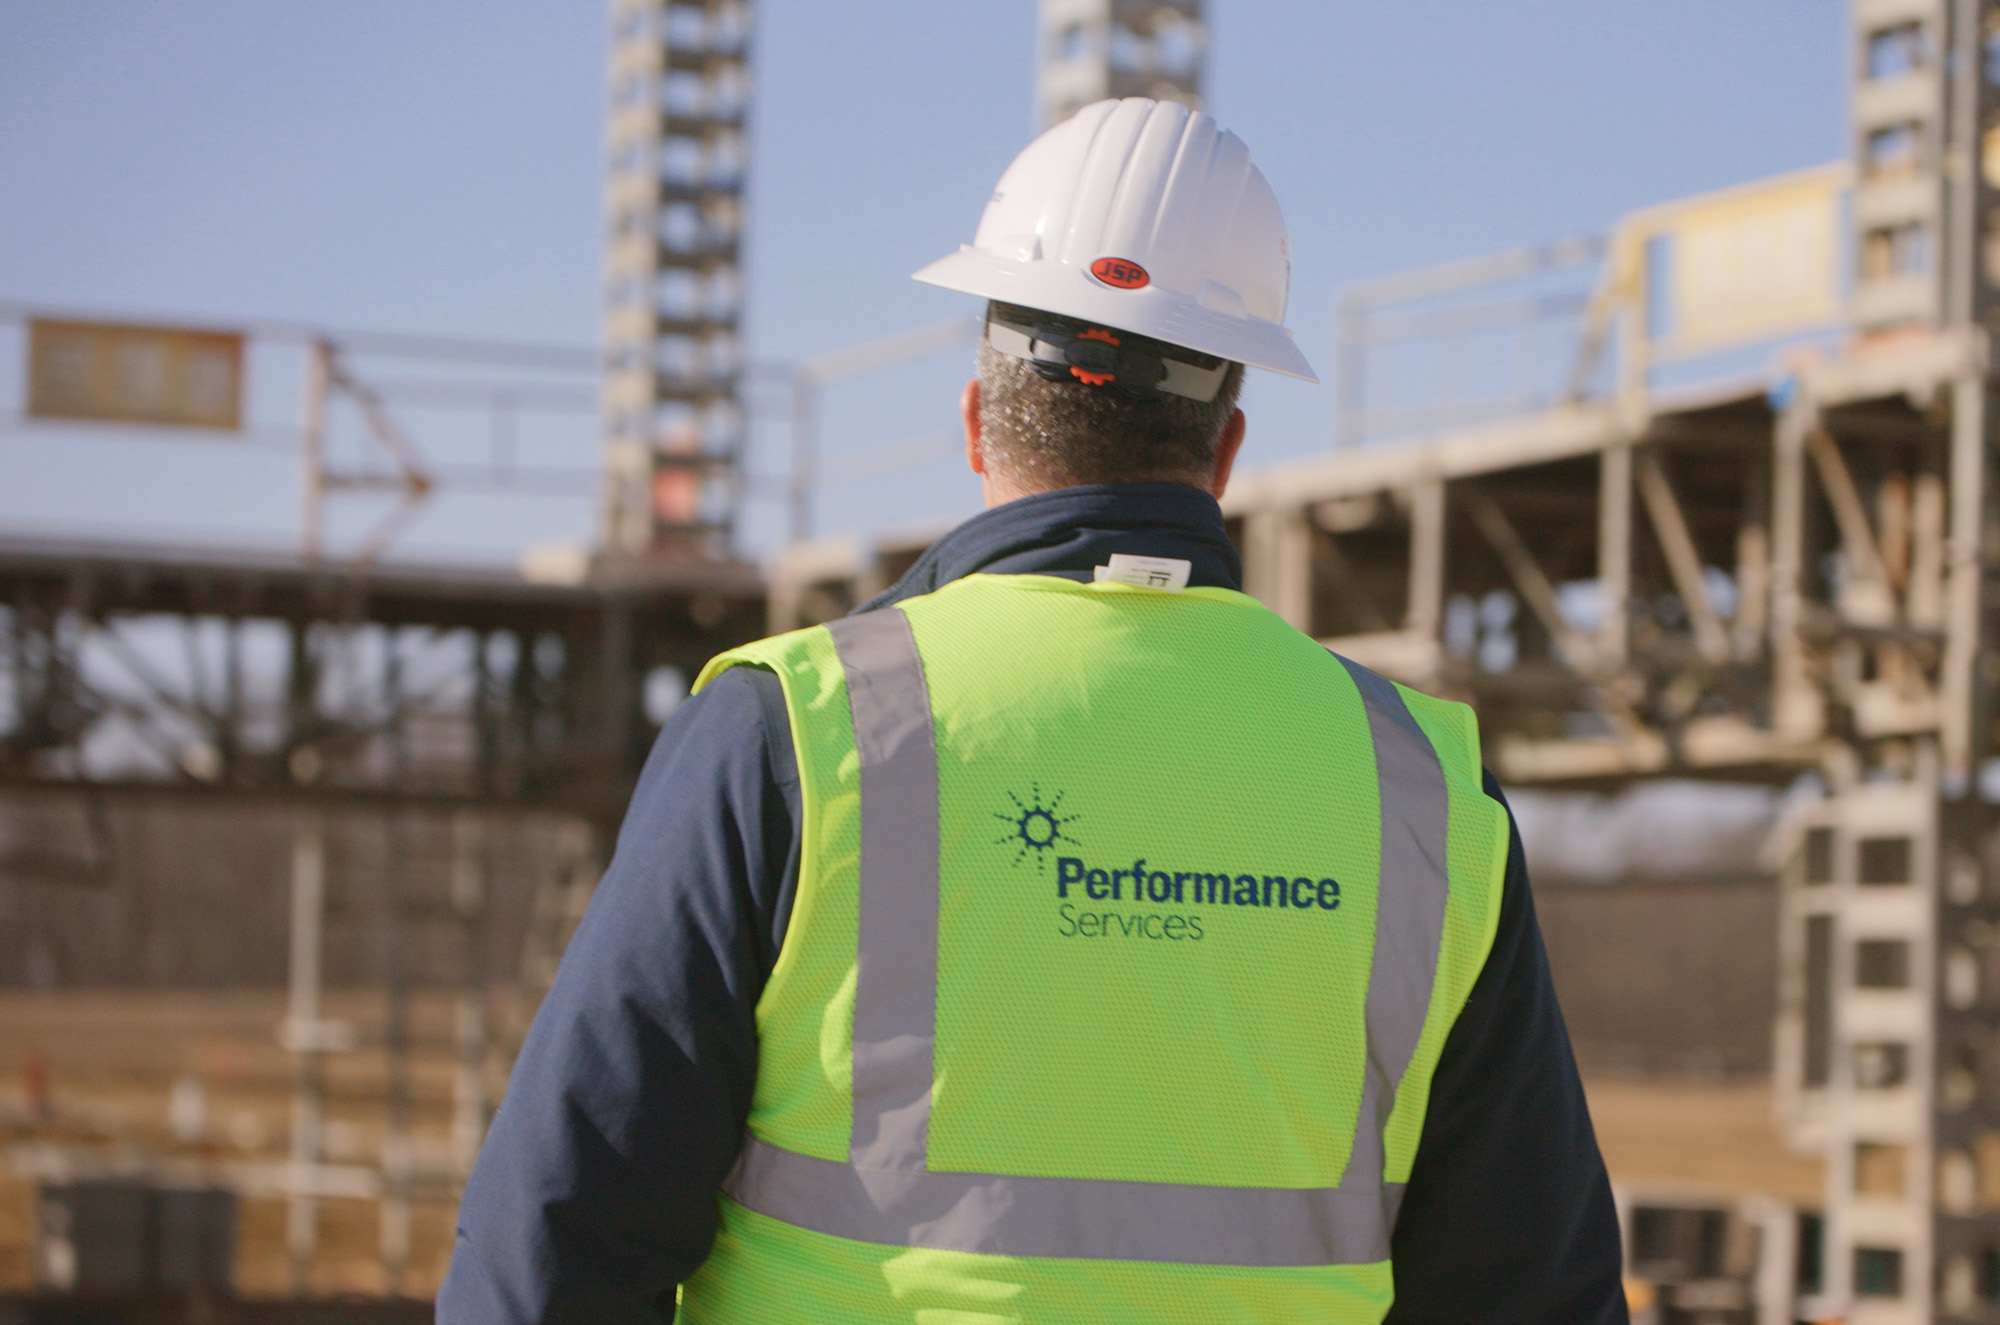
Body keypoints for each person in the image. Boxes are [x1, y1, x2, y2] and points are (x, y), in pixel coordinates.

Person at [439, 97, 1626, 1324]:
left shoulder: (792, 735)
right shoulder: (1425, 794)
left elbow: (553, 1249)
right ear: (1225, 450)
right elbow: (1534, 1292)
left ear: (973, 420)